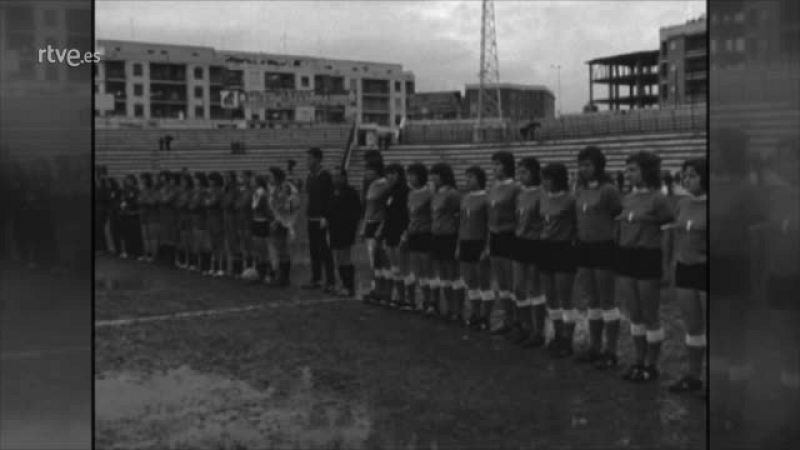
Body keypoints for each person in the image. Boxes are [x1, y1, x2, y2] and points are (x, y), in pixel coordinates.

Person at [616, 151, 674, 382]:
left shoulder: (658, 199)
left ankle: (652, 364)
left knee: (650, 314)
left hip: (648, 257)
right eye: (627, 169)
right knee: (635, 314)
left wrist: (665, 266)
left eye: (633, 170)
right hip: (627, 257)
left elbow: (668, 235)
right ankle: (638, 361)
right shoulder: (627, 198)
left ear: (646, 171)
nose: (628, 174)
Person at [573, 146, 623, 368]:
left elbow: (618, 218)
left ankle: (610, 351)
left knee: (606, 301)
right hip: (584, 248)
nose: (584, 169)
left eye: (588, 165)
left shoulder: (608, 190)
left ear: (598, 166)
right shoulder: (580, 189)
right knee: (591, 301)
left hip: (604, 247)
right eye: (581, 165)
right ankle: (594, 346)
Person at [666, 157, 708, 393]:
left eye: (692, 174)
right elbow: (678, 235)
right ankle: (693, 376)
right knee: (692, 326)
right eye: (685, 174)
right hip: (685, 269)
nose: (686, 179)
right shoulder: (681, 203)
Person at [540, 163, 578, 358]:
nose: (545, 182)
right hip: (547, 248)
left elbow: (577, 225)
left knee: (565, 297)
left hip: (564, 249)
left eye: (548, 178)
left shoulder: (571, 200)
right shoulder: (544, 199)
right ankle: (557, 333)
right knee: (551, 295)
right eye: (543, 178)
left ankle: (567, 338)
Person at [509, 157, 546, 347]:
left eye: (524, 172)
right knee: (518, 287)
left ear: (535, 173)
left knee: (535, 288)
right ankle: (525, 326)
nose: (520, 176)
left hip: (534, 243)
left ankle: (538, 331)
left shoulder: (542, 194)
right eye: (519, 172)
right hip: (520, 242)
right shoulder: (521, 195)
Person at [486, 151, 521, 333]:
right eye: (493, 164)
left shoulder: (516, 188)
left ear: (507, 166)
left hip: (510, 237)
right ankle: (507, 319)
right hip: (495, 237)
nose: (495, 168)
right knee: (502, 283)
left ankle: (518, 321)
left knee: (513, 281)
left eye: (498, 164)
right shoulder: (492, 187)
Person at [458, 166, 491, 329]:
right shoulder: (465, 198)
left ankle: (486, 316)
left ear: (480, 179)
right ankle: (475, 313)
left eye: (471, 177)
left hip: (479, 242)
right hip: (466, 242)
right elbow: (462, 223)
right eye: (466, 177)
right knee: (470, 281)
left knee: (484, 281)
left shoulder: (486, 198)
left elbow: (489, 225)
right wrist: (458, 245)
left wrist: (487, 247)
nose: (468, 180)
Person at [429, 162, 462, 321]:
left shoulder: (452, 194)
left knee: (452, 274)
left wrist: (457, 238)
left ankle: (458, 310)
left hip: (449, 236)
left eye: (436, 174)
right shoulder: (435, 193)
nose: (433, 177)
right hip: (437, 236)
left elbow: (458, 217)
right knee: (442, 275)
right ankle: (449, 307)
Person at [400, 162, 433, 313]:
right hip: (412, 234)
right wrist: (406, 233)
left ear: (421, 176)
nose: (410, 178)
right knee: (414, 269)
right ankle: (412, 300)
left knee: (426, 270)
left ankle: (429, 301)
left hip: (425, 235)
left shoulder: (429, 193)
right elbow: (409, 216)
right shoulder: (410, 194)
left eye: (413, 175)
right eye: (409, 175)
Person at [326, 168, 362, 297]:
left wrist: (352, 227)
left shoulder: (351, 193)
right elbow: (329, 210)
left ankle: (349, 286)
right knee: (338, 258)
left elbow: (357, 212)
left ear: (344, 178)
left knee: (345, 257)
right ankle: (342, 284)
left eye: (337, 176)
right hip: (334, 229)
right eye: (333, 176)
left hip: (346, 230)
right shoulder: (332, 193)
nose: (335, 179)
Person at [379, 164, 411, 308]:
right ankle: (399, 296)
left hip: (401, 232)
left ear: (399, 175)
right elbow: (387, 215)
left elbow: (408, 215)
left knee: (404, 267)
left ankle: (409, 298)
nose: (389, 177)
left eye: (392, 173)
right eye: (387, 174)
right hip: (390, 232)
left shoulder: (406, 191)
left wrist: (405, 233)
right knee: (395, 267)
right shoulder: (389, 192)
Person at [304, 147, 336, 292]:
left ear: (318, 159)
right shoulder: (310, 176)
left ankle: (330, 280)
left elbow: (330, 198)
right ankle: (316, 278)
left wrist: (326, 216)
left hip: (321, 218)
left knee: (325, 250)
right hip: (311, 217)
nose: (307, 161)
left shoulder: (325, 176)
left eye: (310, 158)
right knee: (314, 250)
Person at [361, 160, 392, 304]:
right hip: (371, 224)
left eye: (369, 170)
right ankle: (377, 289)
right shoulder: (371, 185)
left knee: (383, 259)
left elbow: (387, 208)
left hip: (379, 224)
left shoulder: (385, 185)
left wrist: (383, 225)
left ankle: (386, 290)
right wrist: (363, 226)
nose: (366, 173)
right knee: (374, 260)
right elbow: (368, 209)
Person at [268, 166, 300, 287]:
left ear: (277, 177)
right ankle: (280, 275)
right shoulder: (275, 189)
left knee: (284, 250)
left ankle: (285, 278)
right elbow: (273, 205)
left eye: (271, 176)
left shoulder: (288, 188)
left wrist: (285, 207)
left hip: (286, 223)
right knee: (279, 250)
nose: (269, 178)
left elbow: (295, 203)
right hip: (278, 222)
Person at [251, 174, 274, 283]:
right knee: (259, 249)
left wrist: (270, 219)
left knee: (262, 249)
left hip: (262, 222)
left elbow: (262, 208)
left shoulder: (261, 193)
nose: (252, 182)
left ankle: (268, 272)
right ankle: (262, 272)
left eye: (253, 181)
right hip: (257, 221)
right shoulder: (257, 192)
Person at [205, 172, 226, 277]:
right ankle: (213, 267)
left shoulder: (219, 192)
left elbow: (210, 203)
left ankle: (220, 267)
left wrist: (208, 201)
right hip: (211, 219)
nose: (209, 182)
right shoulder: (211, 191)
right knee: (212, 245)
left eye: (211, 179)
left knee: (219, 245)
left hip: (218, 220)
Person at [235, 171, 254, 278]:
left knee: (248, 247)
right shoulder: (241, 191)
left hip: (247, 222)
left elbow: (242, 204)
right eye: (241, 177)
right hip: (241, 221)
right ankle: (243, 269)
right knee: (243, 246)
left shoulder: (250, 191)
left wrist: (239, 203)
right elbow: (236, 204)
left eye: (243, 177)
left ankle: (249, 269)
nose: (241, 179)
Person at [119, 174, 143, 259]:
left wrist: (132, 206)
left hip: (134, 214)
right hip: (126, 214)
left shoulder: (136, 190)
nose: (128, 181)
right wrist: (122, 205)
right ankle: (129, 251)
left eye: (130, 180)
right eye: (127, 180)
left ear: (133, 181)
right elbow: (122, 201)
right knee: (127, 234)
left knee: (136, 234)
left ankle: (139, 253)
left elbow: (138, 201)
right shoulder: (124, 191)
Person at [138, 172, 159, 263]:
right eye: (141, 179)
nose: (141, 181)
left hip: (152, 215)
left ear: (147, 179)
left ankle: (154, 255)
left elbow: (153, 201)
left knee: (152, 237)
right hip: (143, 214)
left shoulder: (152, 189)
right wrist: (143, 200)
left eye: (143, 179)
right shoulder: (143, 189)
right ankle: (147, 254)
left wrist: (144, 199)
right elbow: (139, 200)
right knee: (145, 236)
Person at [222, 171, 239, 277]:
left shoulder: (233, 190)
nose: (226, 179)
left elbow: (227, 203)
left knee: (233, 243)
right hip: (227, 218)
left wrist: (224, 202)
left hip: (232, 218)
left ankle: (234, 269)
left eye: (227, 177)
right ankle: (230, 267)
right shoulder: (227, 189)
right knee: (229, 243)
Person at [176, 173, 194, 269]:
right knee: (182, 240)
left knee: (189, 240)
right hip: (181, 217)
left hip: (189, 218)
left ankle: (190, 261)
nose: (183, 183)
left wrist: (182, 202)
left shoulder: (191, 192)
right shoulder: (180, 192)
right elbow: (178, 203)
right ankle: (182, 260)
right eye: (181, 181)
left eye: (184, 181)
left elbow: (186, 203)